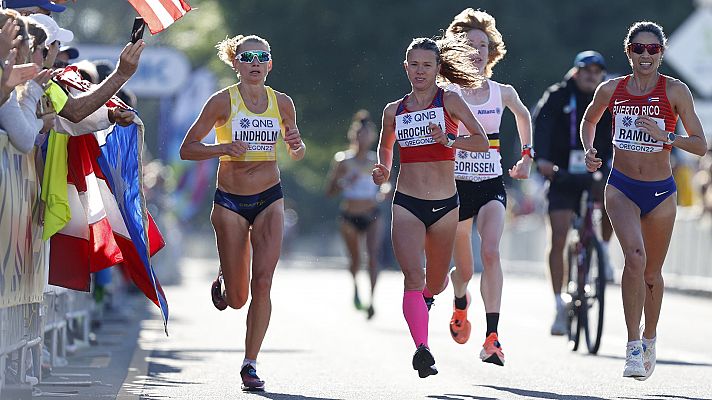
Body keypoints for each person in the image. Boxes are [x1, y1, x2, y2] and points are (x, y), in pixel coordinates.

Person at [179, 34, 306, 391]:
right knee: (237, 300)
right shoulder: (222, 102)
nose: (254, 63)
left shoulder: (282, 103)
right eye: (246, 57)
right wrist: (223, 148)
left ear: (269, 64)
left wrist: (297, 146)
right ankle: (226, 273)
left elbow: (296, 150)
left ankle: (250, 363)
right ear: (235, 63)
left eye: (261, 57)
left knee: (263, 282)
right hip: (230, 201)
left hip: (270, 196)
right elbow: (187, 149)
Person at [581, 21, 706, 380]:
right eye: (640, 49)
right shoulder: (611, 89)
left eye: (653, 49)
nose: (646, 55)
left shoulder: (675, 91)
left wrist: (667, 135)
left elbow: (700, 145)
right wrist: (590, 148)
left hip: (662, 190)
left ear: (662, 54)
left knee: (652, 272)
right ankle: (633, 346)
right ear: (629, 52)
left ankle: (650, 337)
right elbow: (590, 120)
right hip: (621, 186)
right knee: (633, 258)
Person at [372, 36, 488, 378]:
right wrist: (382, 169)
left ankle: (430, 298)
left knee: (434, 284)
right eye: (414, 65)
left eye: (427, 65)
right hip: (406, 202)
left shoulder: (449, 100)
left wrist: (450, 140)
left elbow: (482, 141)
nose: (420, 71)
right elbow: (385, 150)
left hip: (444, 206)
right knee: (413, 276)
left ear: (438, 69)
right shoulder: (394, 110)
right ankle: (422, 349)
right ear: (405, 67)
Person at [443, 8, 532, 367]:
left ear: (491, 51)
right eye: (468, 44)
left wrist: (526, 156)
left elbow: (523, 115)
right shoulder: (445, 92)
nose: (476, 51)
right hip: (456, 188)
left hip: (491, 183)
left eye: (482, 45)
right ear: (456, 51)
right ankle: (460, 298)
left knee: (492, 252)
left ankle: (492, 337)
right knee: (463, 271)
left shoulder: (502, 92)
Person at [532, 49, 613, 336]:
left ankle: (603, 251)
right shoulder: (557, 95)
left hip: (596, 171)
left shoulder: (607, 97)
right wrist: (541, 160)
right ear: (576, 72)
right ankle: (558, 304)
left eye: (597, 72)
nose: (592, 76)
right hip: (561, 173)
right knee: (559, 235)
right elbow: (539, 127)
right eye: (586, 71)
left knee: (613, 198)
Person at [325, 109, 383, 319]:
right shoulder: (343, 160)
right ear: (353, 135)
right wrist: (343, 183)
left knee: (374, 257)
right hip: (349, 214)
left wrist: (384, 192)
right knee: (356, 259)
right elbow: (329, 191)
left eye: (366, 134)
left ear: (373, 137)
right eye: (359, 133)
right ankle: (356, 288)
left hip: (371, 213)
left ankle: (372, 300)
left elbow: (388, 185)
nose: (362, 137)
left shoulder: (376, 160)